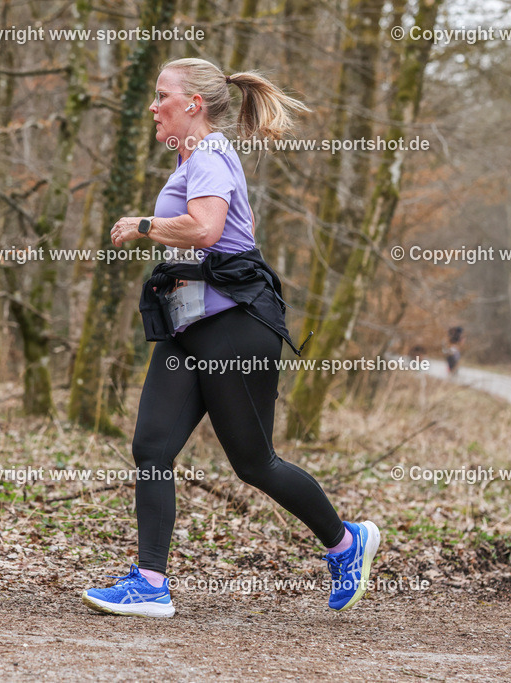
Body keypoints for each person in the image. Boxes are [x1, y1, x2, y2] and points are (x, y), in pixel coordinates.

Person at [82, 58, 380, 617]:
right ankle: (149, 583)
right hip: (187, 326)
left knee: (254, 462)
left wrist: (142, 225)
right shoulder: (187, 159)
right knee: (151, 445)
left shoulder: (213, 154)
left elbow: (206, 229)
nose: (153, 105)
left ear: (192, 103)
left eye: (161, 95)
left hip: (235, 325)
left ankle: (346, 543)